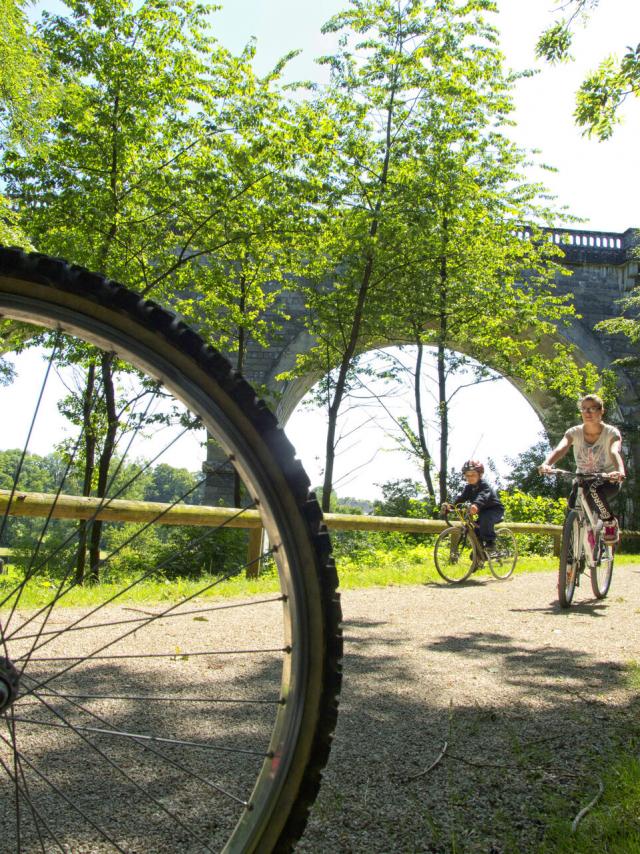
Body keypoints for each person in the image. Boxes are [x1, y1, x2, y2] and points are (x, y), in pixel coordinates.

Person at [538, 393, 625, 543]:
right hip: (583, 479)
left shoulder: (611, 432)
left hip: (607, 480)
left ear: (601, 411)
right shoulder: (574, 432)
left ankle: (609, 522)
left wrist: (619, 471)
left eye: (592, 409)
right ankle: (573, 559)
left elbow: (613, 451)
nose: (587, 413)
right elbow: (561, 448)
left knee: (594, 490)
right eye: (584, 409)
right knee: (572, 511)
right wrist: (547, 464)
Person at [442, 460, 505, 553]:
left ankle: (490, 543)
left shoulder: (484, 485)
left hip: (495, 510)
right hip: (482, 512)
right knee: (476, 531)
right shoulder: (468, 488)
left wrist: (476, 505)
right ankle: (479, 553)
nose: (470, 477)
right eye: (467, 475)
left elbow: (483, 496)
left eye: (473, 474)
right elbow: (461, 499)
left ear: (480, 474)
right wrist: (450, 507)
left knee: (485, 519)